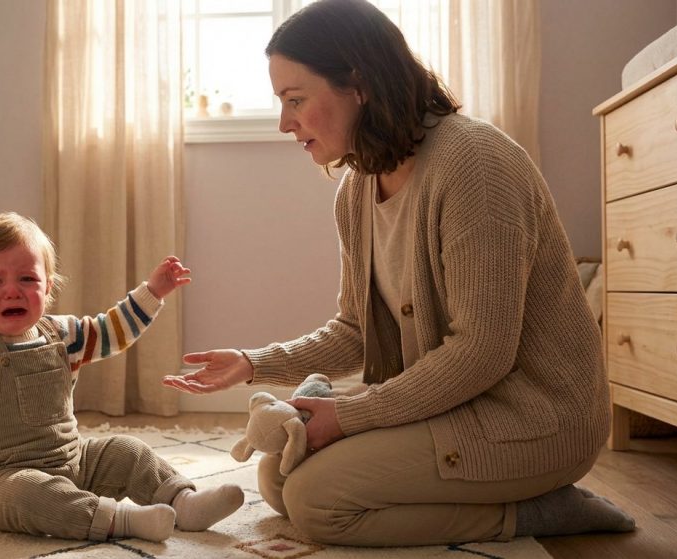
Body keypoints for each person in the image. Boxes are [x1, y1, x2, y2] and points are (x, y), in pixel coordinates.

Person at [163, 0, 634, 547]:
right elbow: (355, 330)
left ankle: (543, 511)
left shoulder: (475, 164)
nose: (284, 122)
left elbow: (481, 352)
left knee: (318, 502)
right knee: (278, 475)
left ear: (358, 85)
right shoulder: (357, 190)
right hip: (457, 403)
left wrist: (348, 414)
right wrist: (252, 363)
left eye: (296, 100)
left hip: (533, 419)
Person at [0, 212, 243, 543]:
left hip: (73, 463)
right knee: (30, 496)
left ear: (48, 287)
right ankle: (120, 521)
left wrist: (153, 291)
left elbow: (112, 330)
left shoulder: (64, 335)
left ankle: (183, 502)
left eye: (27, 279)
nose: (12, 292)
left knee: (126, 449)